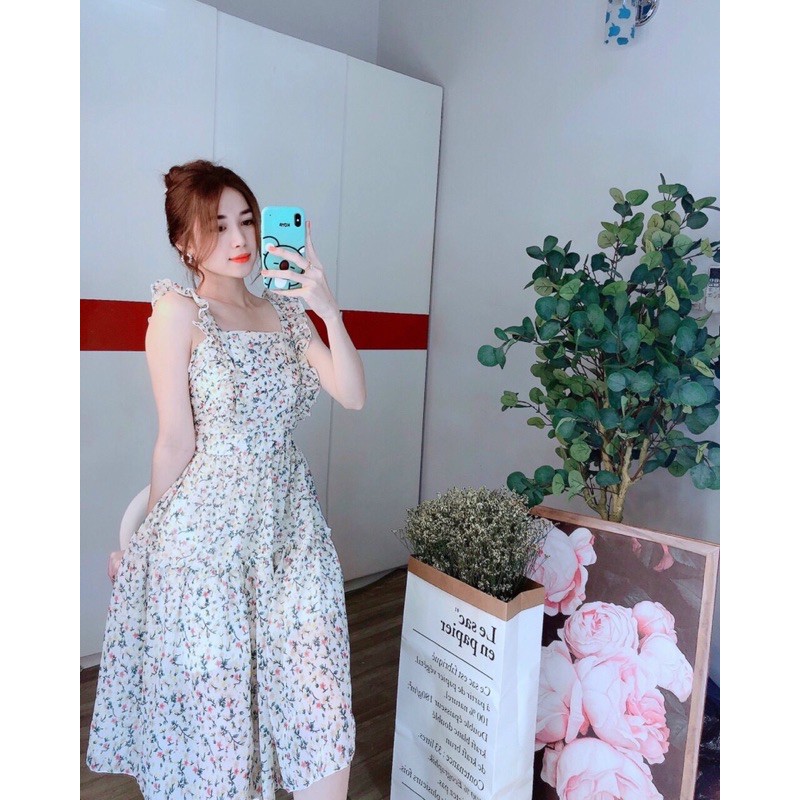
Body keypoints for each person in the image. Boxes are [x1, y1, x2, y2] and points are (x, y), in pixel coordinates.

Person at [87, 159, 366, 800]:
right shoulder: (178, 312)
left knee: (318, 695)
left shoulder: (286, 313)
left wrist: (326, 309)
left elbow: (352, 395)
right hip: (207, 539)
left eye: (246, 220)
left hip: (290, 531)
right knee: (217, 714)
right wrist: (145, 543)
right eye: (217, 226)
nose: (239, 239)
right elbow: (175, 441)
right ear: (184, 241)